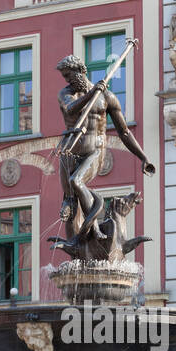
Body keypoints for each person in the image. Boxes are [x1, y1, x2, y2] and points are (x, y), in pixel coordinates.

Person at [55, 54, 155, 243]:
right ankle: (75, 250)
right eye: (65, 77)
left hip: (94, 151)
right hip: (69, 152)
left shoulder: (106, 97)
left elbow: (124, 132)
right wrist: (91, 94)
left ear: (80, 71)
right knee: (69, 207)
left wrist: (143, 157)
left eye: (69, 75)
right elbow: (70, 110)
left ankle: (93, 227)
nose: (67, 81)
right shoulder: (66, 94)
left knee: (76, 182)